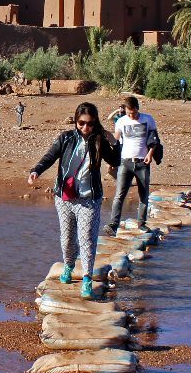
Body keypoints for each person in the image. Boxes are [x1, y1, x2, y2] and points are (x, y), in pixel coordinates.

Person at [27, 102, 121, 299]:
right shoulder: (66, 138)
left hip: (89, 199)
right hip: (65, 197)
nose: (85, 128)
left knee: (87, 238)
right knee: (68, 238)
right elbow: (50, 156)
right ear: (76, 121)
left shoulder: (99, 141)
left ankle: (87, 279)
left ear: (95, 123)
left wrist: (114, 142)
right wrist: (36, 170)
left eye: (90, 124)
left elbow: (115, 161)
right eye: (81, 123)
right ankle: (69, 265)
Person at [104, 96, 159, 236]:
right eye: (128, 113)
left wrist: (150, 154)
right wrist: (105, 136)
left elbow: (154, 139)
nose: (131, 115)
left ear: (137, 108)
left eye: (133, 113)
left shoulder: (148, 119)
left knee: (143, 194)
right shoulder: (121, 121)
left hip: (142, 162)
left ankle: (141, 223)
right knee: (119, 195)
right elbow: (116, 139)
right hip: (125, 162)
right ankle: (113, 224)